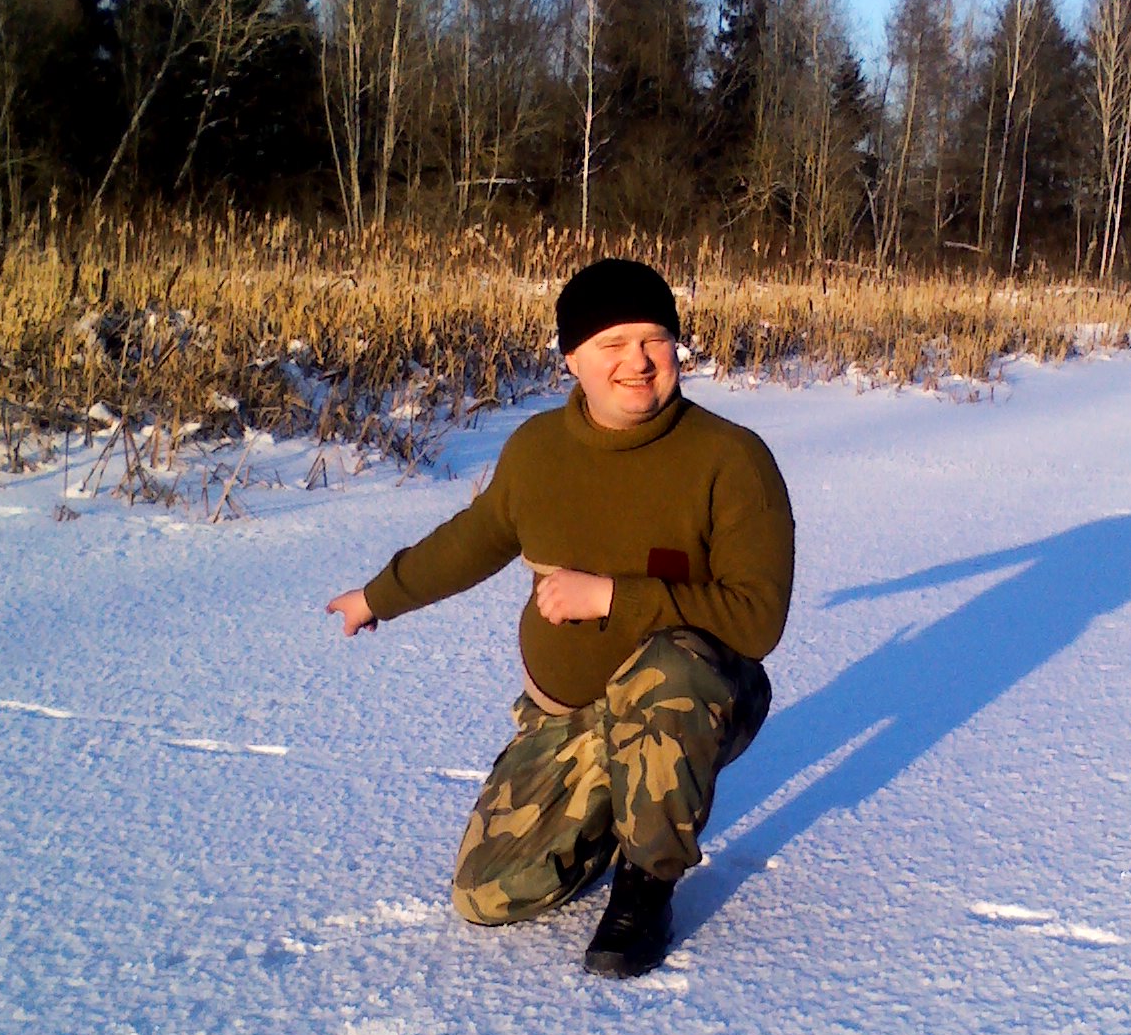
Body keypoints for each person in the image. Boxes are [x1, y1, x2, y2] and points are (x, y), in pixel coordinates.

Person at [327, 259, 794, 979]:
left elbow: (758, 619)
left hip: (699, 696)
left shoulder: (731, 459)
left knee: (670, 667)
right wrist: (377, 597)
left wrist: (612, 596)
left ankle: (647, 880)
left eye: (655, 339)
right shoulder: (538, 451)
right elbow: (473, 540)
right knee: (485, 894)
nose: (638, 362)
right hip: (568, 716)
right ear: (573, 358)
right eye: (613, 344)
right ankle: (617, 799)